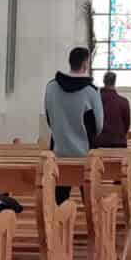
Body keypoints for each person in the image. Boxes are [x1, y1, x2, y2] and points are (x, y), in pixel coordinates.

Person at [44, 47, 103, 203]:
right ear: (85, 64)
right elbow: (98, 125)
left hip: (58, 153)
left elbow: (49, 119)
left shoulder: (51, 87)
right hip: (85, 156)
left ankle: (56, 220)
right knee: (90, 201)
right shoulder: (91, 91)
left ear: (70, 62)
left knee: (58, 202)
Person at [96, 71, 131, 148]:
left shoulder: (96, 100)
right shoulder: (123, 101)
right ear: (115, 82)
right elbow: (127, 124)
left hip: (99, 143)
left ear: (103, 81)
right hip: (119, 143)